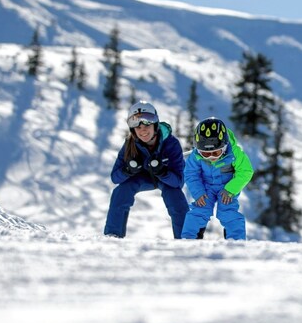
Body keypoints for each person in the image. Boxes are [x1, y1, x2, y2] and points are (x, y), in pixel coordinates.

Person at [104, 101, 188, 238]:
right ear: (132, 130)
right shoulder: (130, 144)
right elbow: (115, 177)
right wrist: (128, 170)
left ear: (155, 124)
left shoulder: (171, 144)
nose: (143, 129)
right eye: (137, 125)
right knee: (121, 191)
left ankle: (186, 237)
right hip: (140, 178)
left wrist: (163, 172)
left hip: (165, 179)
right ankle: (113, 235)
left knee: (174, 194)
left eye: (147, 123)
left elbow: (179, 182)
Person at [181, 117, 254, 240]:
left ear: (224, 145)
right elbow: (191, 173)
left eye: (215, 153)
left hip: (227, 188)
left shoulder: (234, 153)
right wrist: (198, 192)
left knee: (228, 212)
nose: (210, 157)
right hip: (206, 188)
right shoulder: (196, 155)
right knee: (199, 211)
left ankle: (236, 241)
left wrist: (231, 189)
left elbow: (246, 171)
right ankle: (189, 239)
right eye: (205, 153)